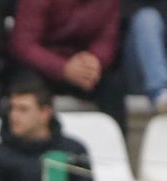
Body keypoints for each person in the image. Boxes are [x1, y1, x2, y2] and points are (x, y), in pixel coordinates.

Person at [8, 0, 128, 129]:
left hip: (84, 66)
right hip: (41, 66)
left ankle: (115, 144)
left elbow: (107, 38)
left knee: (113, 84)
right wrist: (63, 68)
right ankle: (20, 146)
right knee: (28, 84)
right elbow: (24, 45)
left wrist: (95, 60)